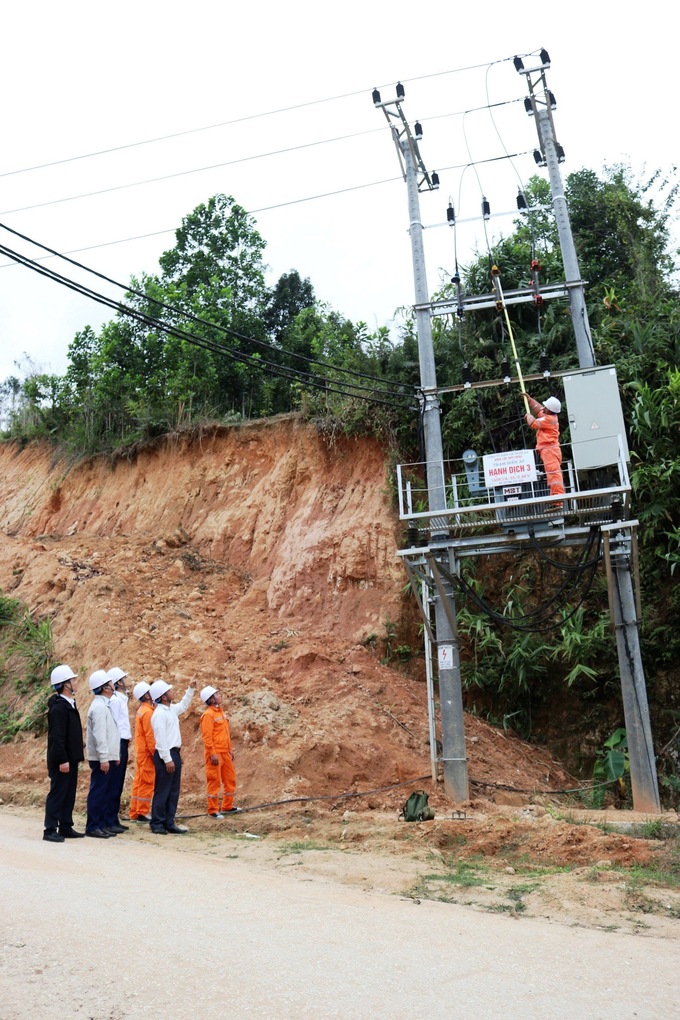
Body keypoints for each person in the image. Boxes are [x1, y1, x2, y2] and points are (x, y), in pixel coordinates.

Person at [43, 664, 85, 842]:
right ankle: (50, 829)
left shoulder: (69, 704)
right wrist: (62, 760)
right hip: (62, 760)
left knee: (69, 793)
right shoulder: (59, 708)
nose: (76, 682)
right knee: (58, 793)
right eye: (73, 680)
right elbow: (57, 737)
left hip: (71, 759)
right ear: (65, 685)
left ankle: (66, 826)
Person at [148, 679, 194, 834]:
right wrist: (167, 759)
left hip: (173, 753)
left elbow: (183, 706)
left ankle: (169, 822)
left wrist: (191, 689)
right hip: (165, 755)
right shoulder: (159, 714)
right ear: (163, 696)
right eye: (169, 691)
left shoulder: (170, 710)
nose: (172, 692)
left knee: (173, 790)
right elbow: (161, 740)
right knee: (163, 790)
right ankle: (157, 824)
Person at [85, 670, 121, 839]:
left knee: (103, 792)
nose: (114, 685)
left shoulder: (103, 705)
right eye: (111, 683)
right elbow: (100, 736)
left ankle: (100, 825)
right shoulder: (99, 707)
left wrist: (114, 755)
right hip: (101, 759)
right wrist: (104, 758)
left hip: (106, 757)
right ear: (105, 687)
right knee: (98, 793)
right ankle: (93, 826)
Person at [199, 686, 239, 818]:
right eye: (216, 694)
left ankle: (227, 806)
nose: (220, 695)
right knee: (214, 781)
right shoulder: (208, 715)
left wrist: (230, 749)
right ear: (210, 699)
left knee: (230, 779)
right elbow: (207, 736)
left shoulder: (220, 712)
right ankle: (213, 809)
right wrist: (212, 753)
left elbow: (225, 734)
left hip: (225, 752)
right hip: (215, 753)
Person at [522, 393, 566, 499]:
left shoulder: (548, 420)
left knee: (554, 475)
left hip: (550, 450)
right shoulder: (549, 417)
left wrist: (528, 416)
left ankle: (558, 498)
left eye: (545, 407)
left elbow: (533, 423)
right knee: (552, 474)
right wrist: (529, 400)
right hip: (550, 450)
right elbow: (539, 410)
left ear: (549, 409)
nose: (544, 408)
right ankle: (555, 498)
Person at [106, 667, 131, 832]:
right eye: (125, 678)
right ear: (119, 683)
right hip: (117, 743)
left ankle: (113, 819)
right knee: (114, 783)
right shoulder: (115, 700)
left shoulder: (121, 699)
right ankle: (109, 820)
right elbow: (112, 726)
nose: (128, 681)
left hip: (122, 743)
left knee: (118, 783)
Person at [130, 681, 155, 821]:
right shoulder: (148, 713)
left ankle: (135, 811)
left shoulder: (142, 710)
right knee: (147, 782)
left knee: (139, 781)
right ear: (146, 695)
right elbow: (150, 736)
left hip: (141, 752)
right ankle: (142, 812)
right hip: (147, 753)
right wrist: (155, 753)